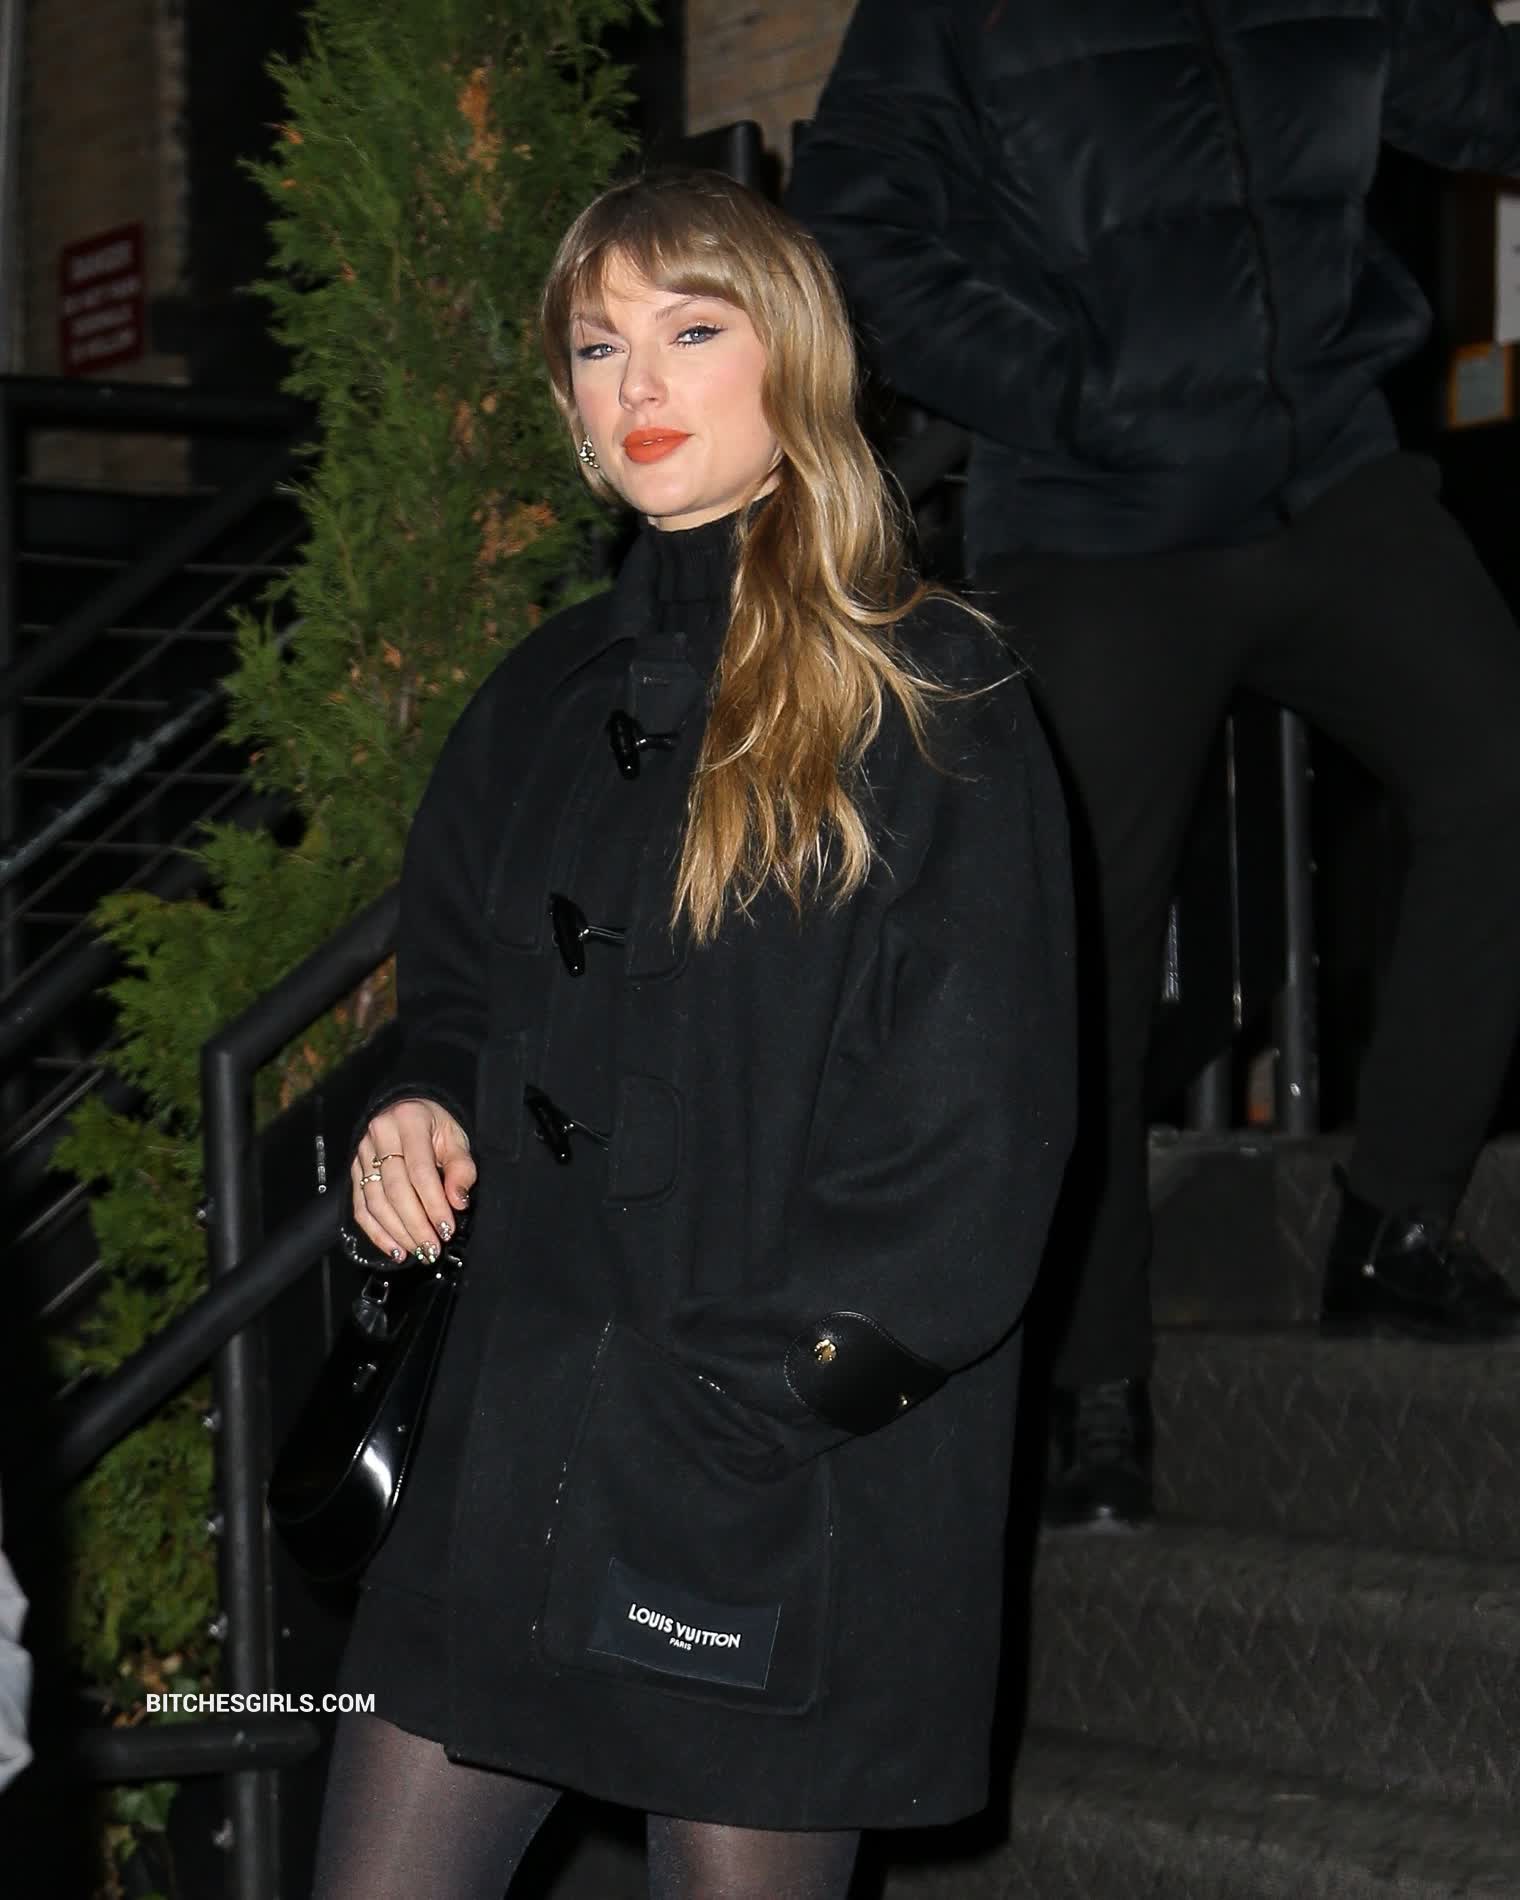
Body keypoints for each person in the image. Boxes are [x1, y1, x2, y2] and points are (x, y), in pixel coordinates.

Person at [311, 169, 1075, 1900]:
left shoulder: (927, 689)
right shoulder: (541, 695)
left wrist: (759, 1404)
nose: (638, 383)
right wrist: (420, 1106)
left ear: (791, 356)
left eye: (691, 328)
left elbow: (976, 1142)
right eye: (598, 346)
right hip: (513, 1454)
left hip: (774, 1475)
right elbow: (455, 993)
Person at [789, 0, 1520, 1534]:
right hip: (1097, 515)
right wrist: (1075, 393)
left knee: (1502, 776)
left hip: (1329, 471)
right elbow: (858, 231)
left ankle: (1394, 1224)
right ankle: (1094, 1381)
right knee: (1087, 956)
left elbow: (1479, 92)